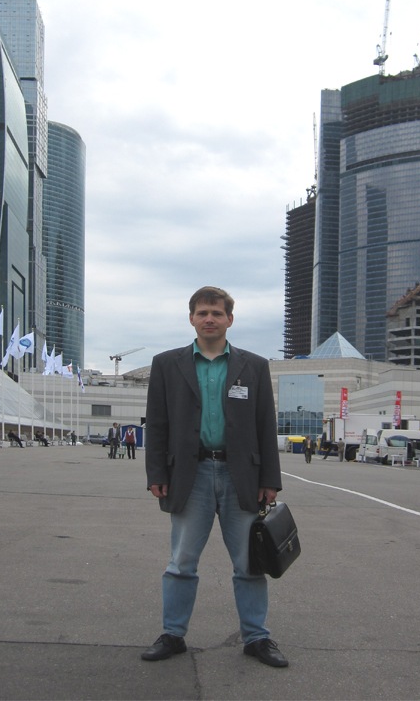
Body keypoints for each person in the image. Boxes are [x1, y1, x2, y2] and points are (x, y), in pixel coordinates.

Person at [142, 286, 288, 668]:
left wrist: (270, 479)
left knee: (249, 564)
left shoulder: (254, 366)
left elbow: (265, 424)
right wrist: (156, 472)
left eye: (217, 313)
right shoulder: (166, 364)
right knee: (181, 562)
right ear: (191, 318)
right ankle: (172, 634)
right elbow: (156, 423)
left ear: (230, 320)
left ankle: (257, 638)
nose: (210, 319)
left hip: (241, 476)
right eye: (203, 312)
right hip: (189, 476)